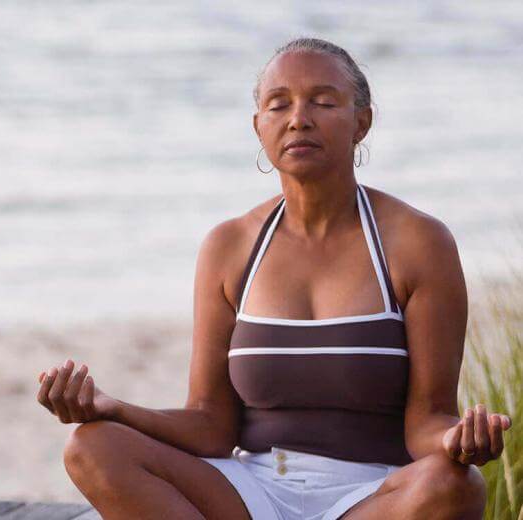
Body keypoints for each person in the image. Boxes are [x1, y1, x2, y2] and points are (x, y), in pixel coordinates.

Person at [36, 37, 512, 519]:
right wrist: (111, 407)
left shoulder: (417, 242)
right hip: (251, 491)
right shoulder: (230, 246)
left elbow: (427, 421)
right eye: (278, 104)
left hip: (371, 496)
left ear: (361, 122)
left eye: (324, 102)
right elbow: (211, 426)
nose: (298, 118)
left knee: (456, 485)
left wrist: (458, 439)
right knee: (93, 447)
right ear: (258, 126)